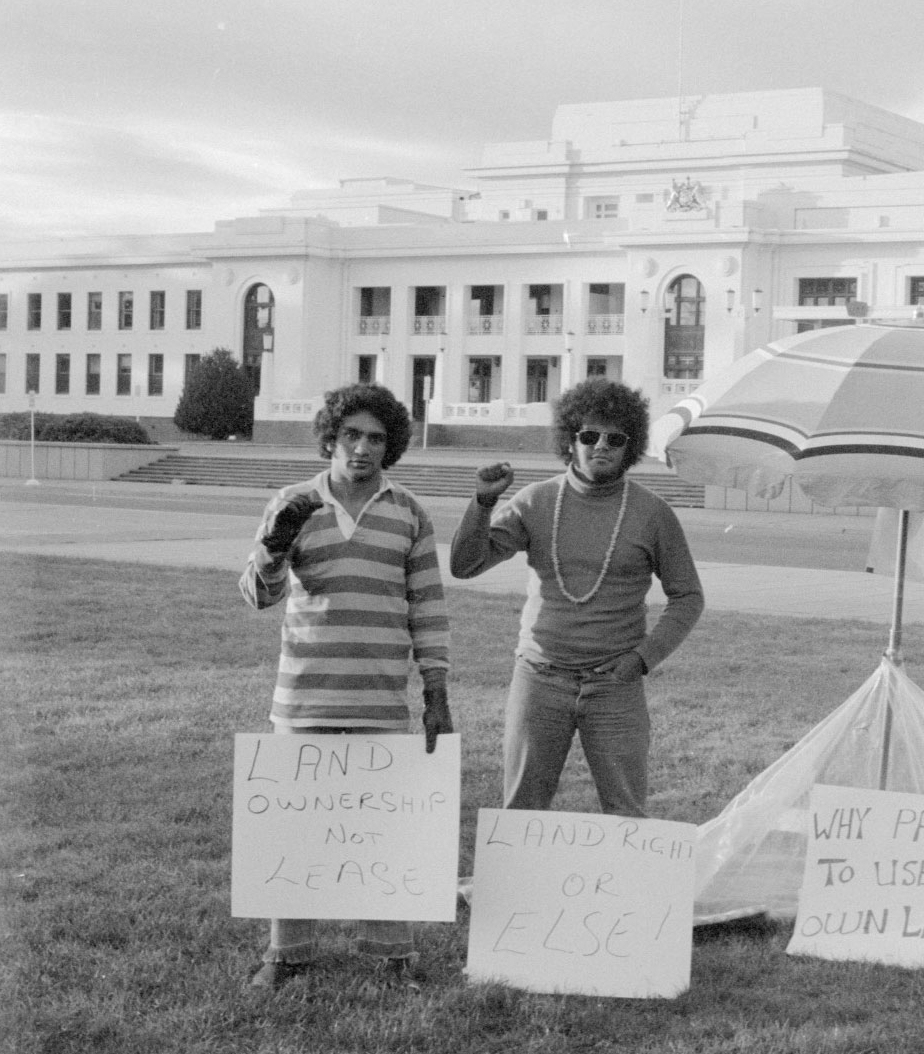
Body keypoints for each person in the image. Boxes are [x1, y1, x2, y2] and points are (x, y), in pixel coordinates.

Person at [239, 383, 451, 991]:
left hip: (382, 700)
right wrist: (274, 548)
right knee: (296, 829)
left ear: (392, 447)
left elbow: (427, 606)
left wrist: (436, 691)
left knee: (383, 832)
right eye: (350, 435)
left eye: (376, 438)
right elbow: (259, 597)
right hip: (304, 697)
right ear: (330, 438)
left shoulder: (409, 511)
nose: (362, 448)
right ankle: (287, 955)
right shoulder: (292, 501)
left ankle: (390, 957)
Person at [450, 379, 702, 819]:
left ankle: (626, 890)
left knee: (626, 814)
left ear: (631, 446)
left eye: (615, 438)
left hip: (615, 686)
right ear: (570, 441)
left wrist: (642, 659)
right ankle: (514, 890)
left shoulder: (653, 513)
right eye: (589, 435)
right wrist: (483, 503)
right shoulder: (535, 501)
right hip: (539, 677)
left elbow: (688, 596)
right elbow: (465, 565)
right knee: (522, 811)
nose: (600, 446)